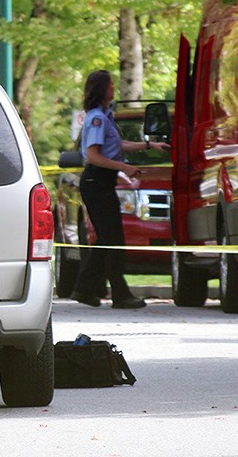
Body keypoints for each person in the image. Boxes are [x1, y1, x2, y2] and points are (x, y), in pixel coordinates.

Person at [70, 70, 169, 309]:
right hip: (96, 181)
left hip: (104, 182)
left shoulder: (106, 117)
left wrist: (148, 145)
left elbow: (117, 145)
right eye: (110, 85)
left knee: (110, 238)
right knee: (110, 238)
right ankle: (105, 291)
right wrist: (124, 167)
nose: (113, 88)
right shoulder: (96, 119)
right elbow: (93, 156)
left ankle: (96, 289)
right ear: (101, 89)